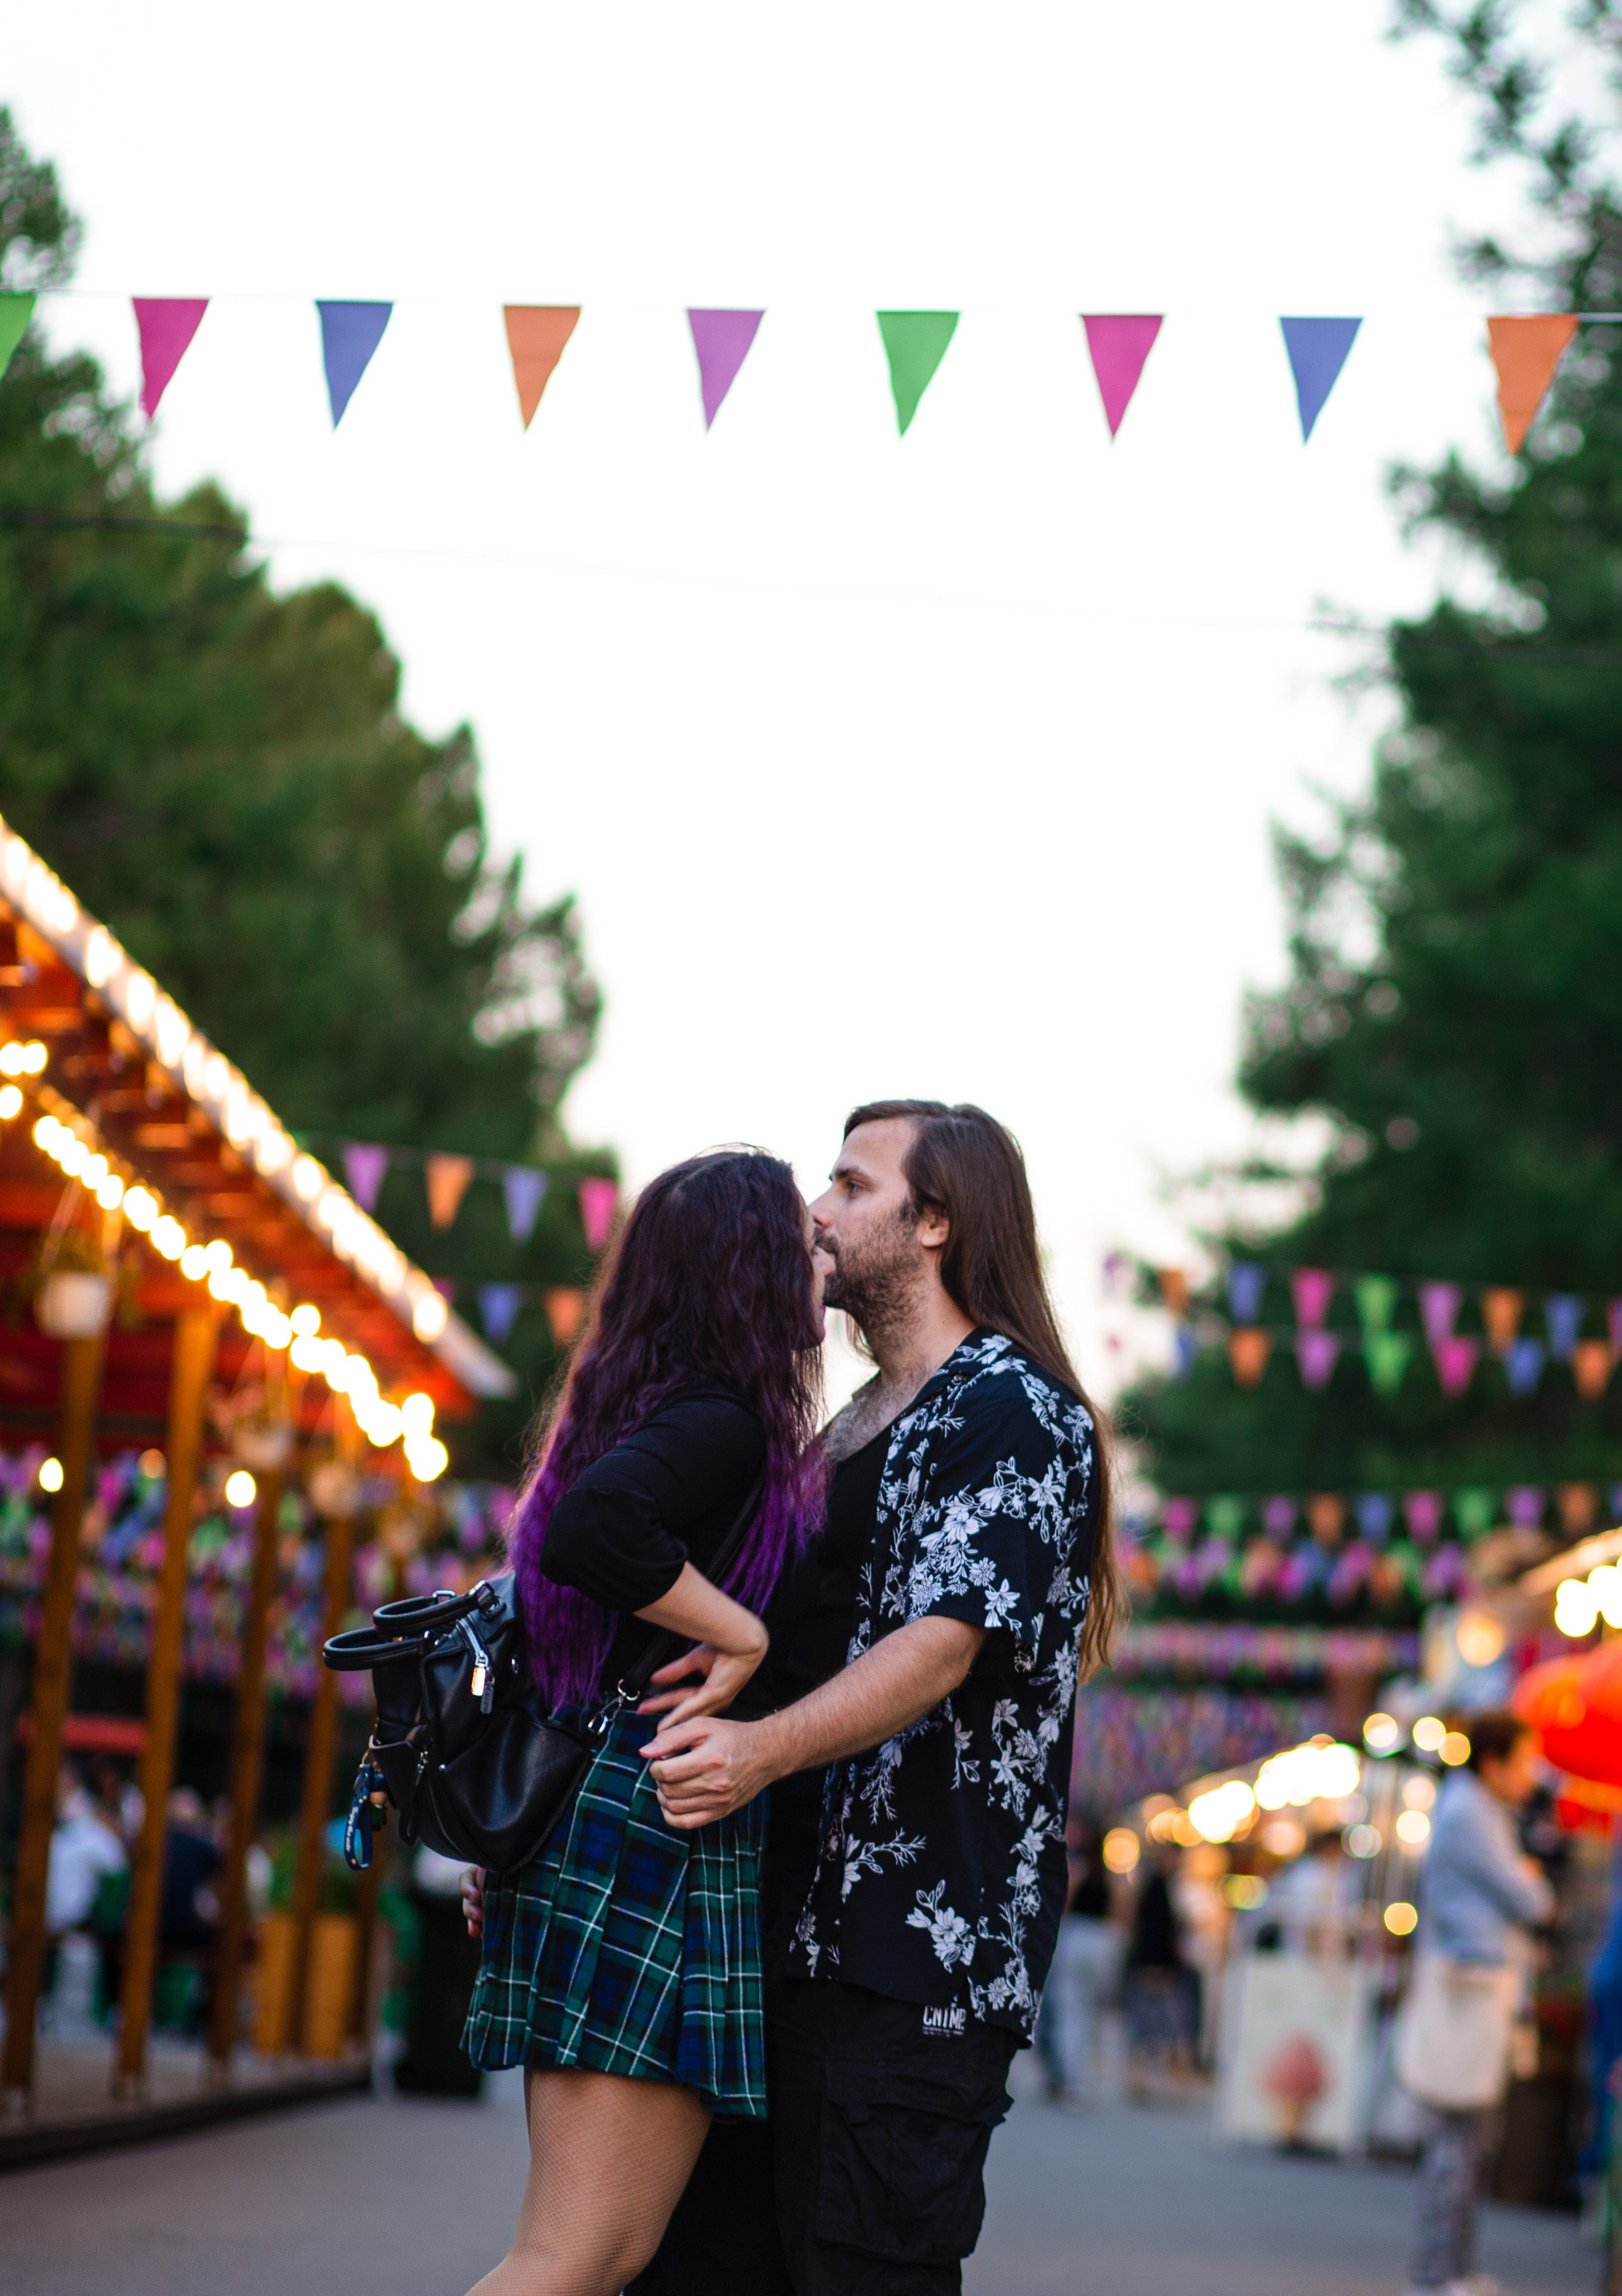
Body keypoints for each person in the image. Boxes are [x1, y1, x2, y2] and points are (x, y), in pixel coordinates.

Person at [637, 1100, 1118, 2295]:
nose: (816, 1209)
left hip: (910, 1966)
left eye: (853, 1184)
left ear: (938, 1219)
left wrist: (754, 1754)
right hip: (764, 1938)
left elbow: (942, 1643)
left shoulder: (1013, 1409)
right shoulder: (837, 1429)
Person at [459, 1148, 826, 2296]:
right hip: (647, 1826)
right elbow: (595, 1529)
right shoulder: (719, 1415)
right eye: (801, 1242)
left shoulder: (646, 1403)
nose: (822, 1258)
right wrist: (747, 1633)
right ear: (752, 1269)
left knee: (588, 2248)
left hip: (619, 1821)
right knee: (578, 2251)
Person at [1396, 1709, 1554, 2296]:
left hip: (1474, 1986)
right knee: (1460, 2137)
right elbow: (1529, 1899)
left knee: (1467, 2138)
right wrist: (1532, 1879)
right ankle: (1439, 2273)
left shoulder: (1472, 1809)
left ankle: (1450, 2269)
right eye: (1524, 1761)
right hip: (1470, 1989)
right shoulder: (1472, 1814)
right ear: (1494, 1763)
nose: (1531, 1776)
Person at [1037, 1819, 1121, 2105]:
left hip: (1078, 1940)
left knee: (1069, 2011)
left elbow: (1065, 1904)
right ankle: (1080, 2077)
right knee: (1089, 2014)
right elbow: (1121, 1912)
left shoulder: (1079, 1869)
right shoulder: (1111, 1874)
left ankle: (1071, 2078)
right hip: (1102, 1943)